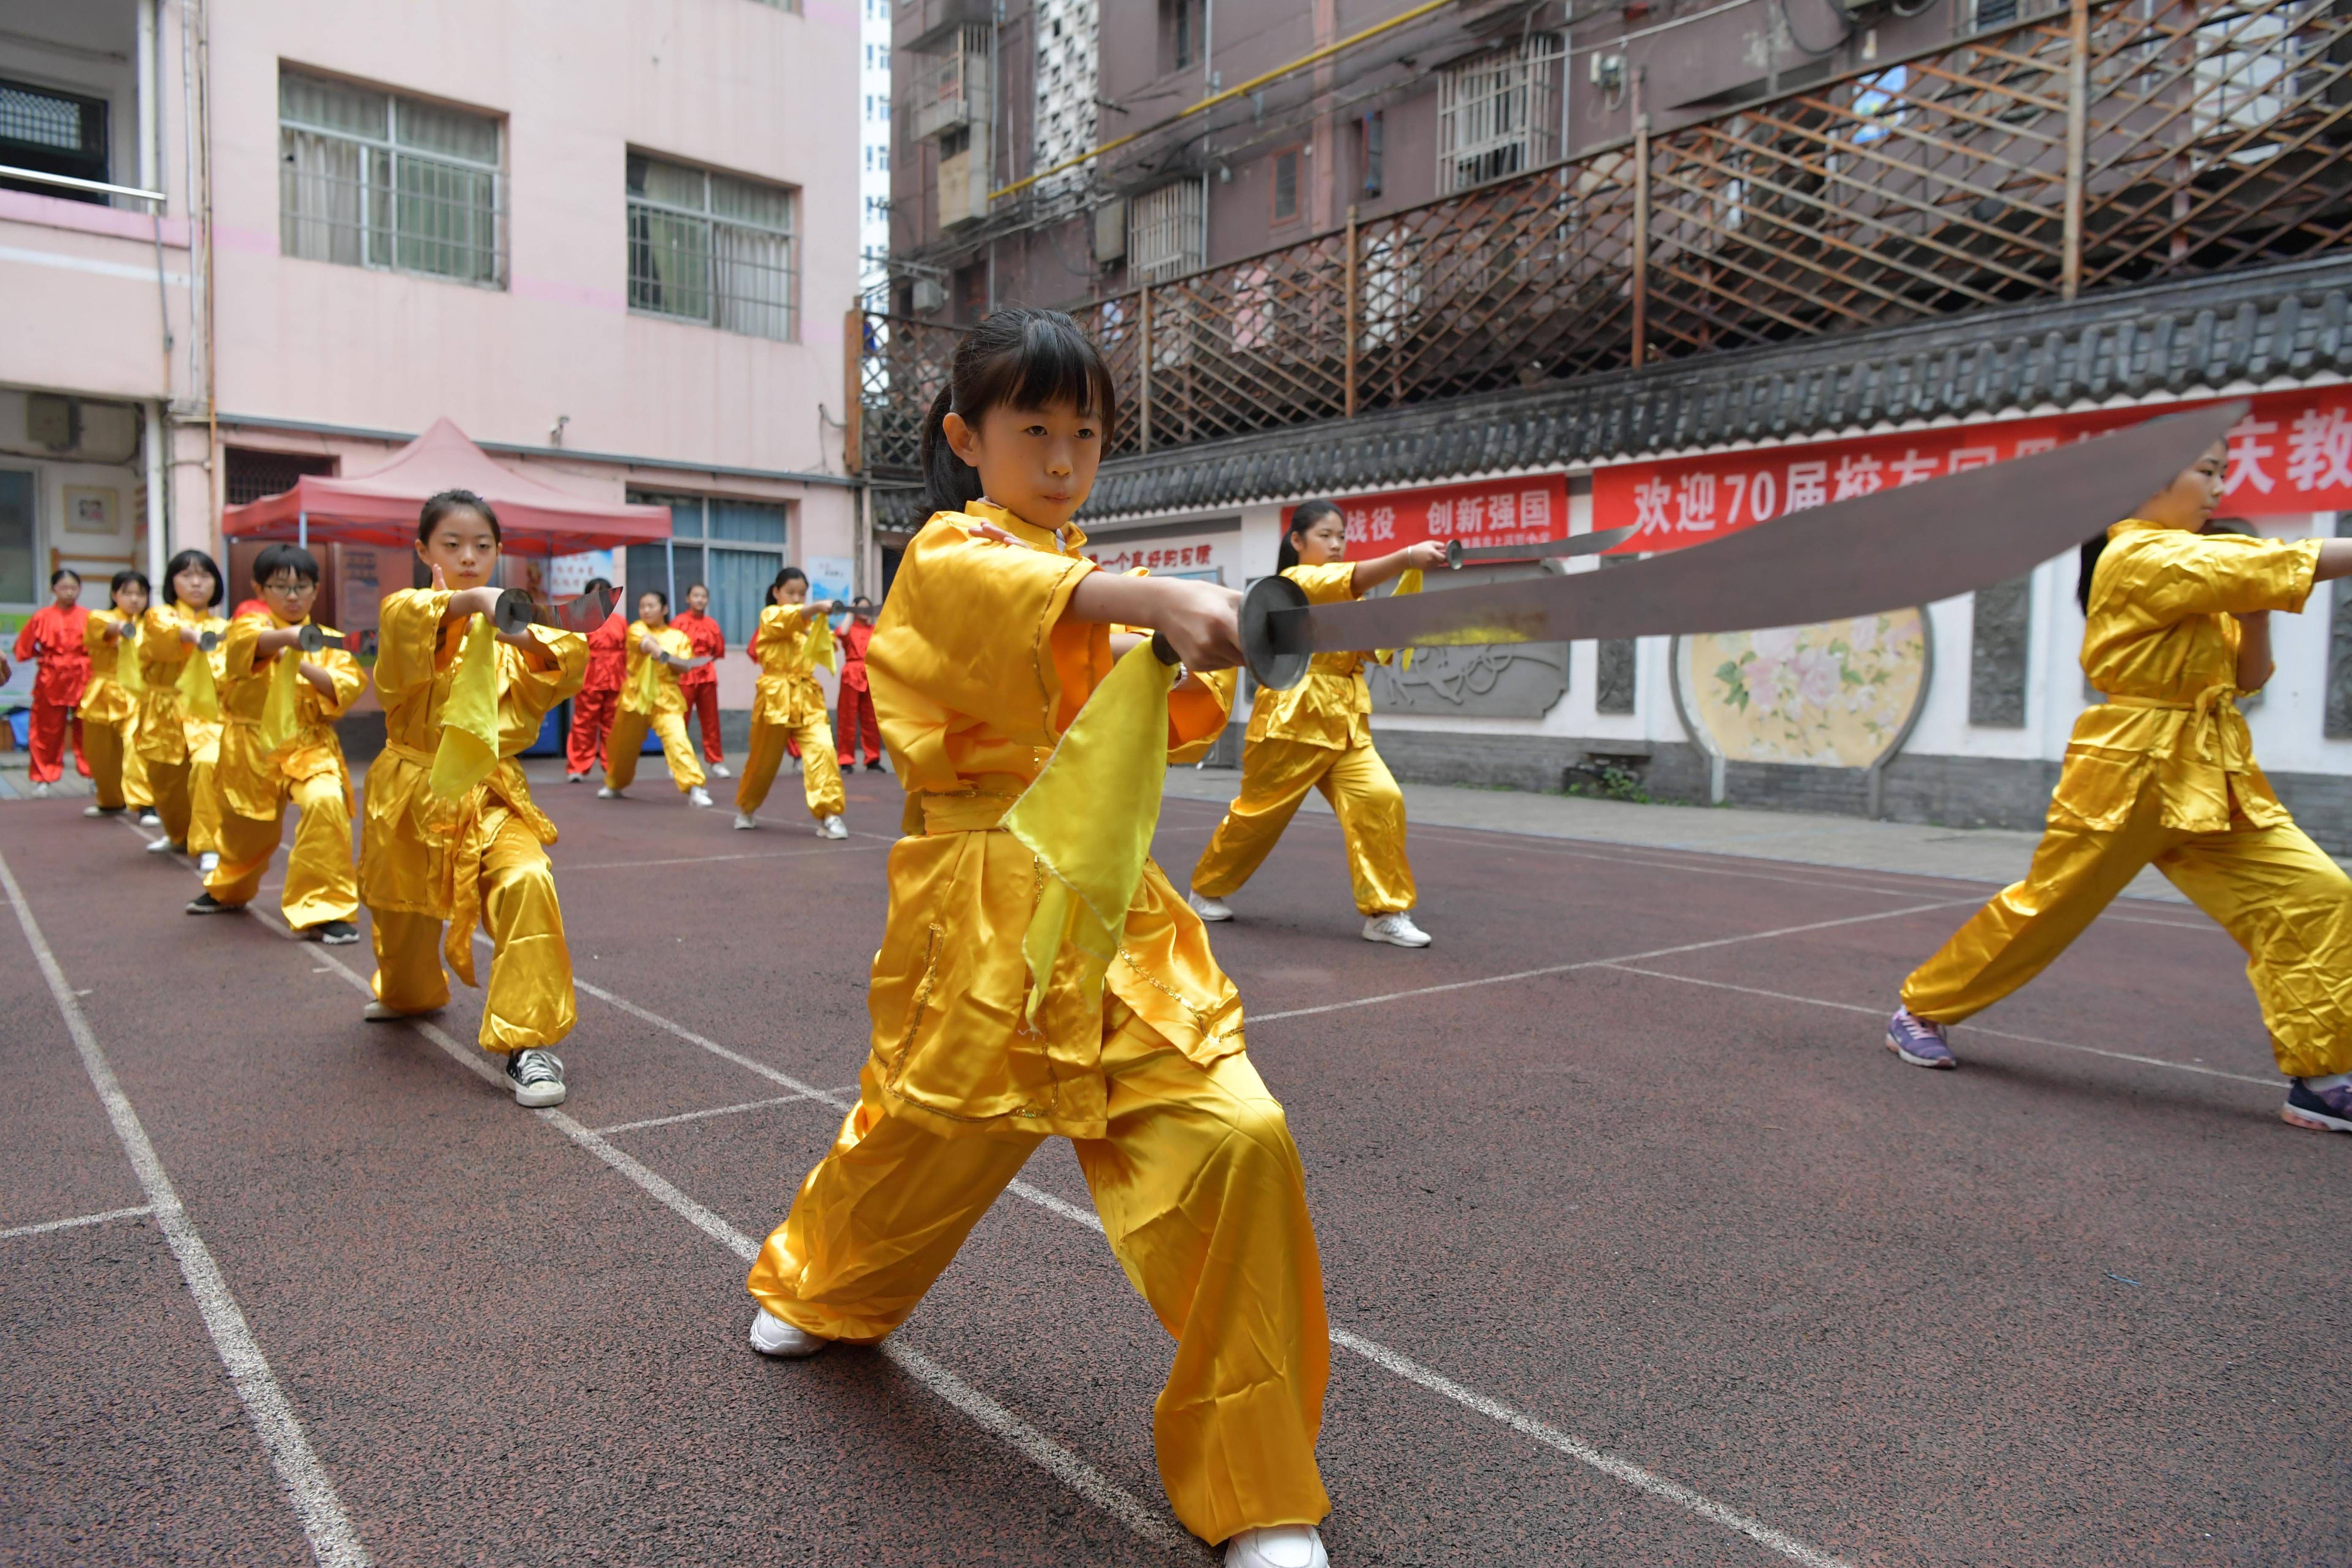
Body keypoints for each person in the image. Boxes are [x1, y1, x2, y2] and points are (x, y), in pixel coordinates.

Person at [743, 307, 1334, 1568]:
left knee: (1237, 1134)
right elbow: (1006, 596)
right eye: (1034, 430)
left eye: (1087, 434)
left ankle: (1256, 1479)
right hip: (972, 903)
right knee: (917, 1130)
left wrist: (1287, 609)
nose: (1064, 458)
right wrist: (1160, 600)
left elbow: (1154, 711)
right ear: (967, 437)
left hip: (1103, 903)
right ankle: (820, 1284)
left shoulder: (1089, 582)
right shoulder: (951, 557)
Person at [1886, 439, 2352, 1135]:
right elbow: (2282, 561)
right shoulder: (2137, 554)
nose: (2220, 486)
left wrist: (2254, 614)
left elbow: (2248, 678)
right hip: (2130, 766)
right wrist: (2262, 580)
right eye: (2206, 470)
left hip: (2211, 771)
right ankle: (1918, 1009)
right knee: (2049, 908)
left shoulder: (2197, 570)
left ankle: (2320, 1075)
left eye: (2222, 471)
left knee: (2316, 896)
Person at [359, 488, 589, 1108]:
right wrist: (478, 604)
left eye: (483, 546)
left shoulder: (512, 623)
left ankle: (529, 1042)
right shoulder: (406, 610)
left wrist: (512, 629)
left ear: (499, 551)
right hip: (411, 791)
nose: (468, 556)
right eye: (452, 545)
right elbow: (417, 627)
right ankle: (407, 991)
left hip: (487, 794)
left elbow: (569, 658)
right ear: (423, 549)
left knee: (528, 879)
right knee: (403, 927)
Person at [1187, 499, 1443, 947]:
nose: (1337, 544)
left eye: (1342, 536)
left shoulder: (1344, 594)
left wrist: (1410, 592)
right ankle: (1207, 887)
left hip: (1346, 721)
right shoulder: (1295, 582)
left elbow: (1374, 643)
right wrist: (1406, 557)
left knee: (1381, 798)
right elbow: (1347, 579)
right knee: (1259, 816)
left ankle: (1385, 911)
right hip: (1293, 719)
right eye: (1326, 535)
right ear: (1298, 542)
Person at [185, 544, 367, 941]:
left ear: (316, 591)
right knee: (245, 833)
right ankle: (228, 889)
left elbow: (347, 687)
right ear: (259, 588)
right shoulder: (245, 629)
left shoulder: (329, 641)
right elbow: (243, 653)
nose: (291, 595)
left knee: (326, 802)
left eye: (301, 586)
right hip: (252, 746)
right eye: (280, 586)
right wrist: (286, 640)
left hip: (309, 745)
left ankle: (325, 908)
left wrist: (298, 656)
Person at [732, 567, 847, 837]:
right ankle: (747, 808)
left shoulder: (808, 624)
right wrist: (817, 607)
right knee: (763, 760)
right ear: (776, 592)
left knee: (823, 751)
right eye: (791, 593)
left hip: (808, 697)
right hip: (775, 697)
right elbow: (788, 618)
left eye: (802, 594)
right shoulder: (771, 616)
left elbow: (829, 644)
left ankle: (829, 814)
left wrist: (825, 622)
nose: (797, 598)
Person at [136, 550, 230, 863]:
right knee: (167, 785)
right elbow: (167, 636)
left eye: (204, 576)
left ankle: (208, 844)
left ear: (216, 584)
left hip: (207, 714)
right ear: (171, 582)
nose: (196, 583)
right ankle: (178, 835)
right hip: (164, 713)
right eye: (187, 576)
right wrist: (193, 635)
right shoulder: (158, 616)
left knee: (207, 765)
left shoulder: (226, 625)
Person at [598, 589, 713, 807]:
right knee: (623, 745)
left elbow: (684, 666)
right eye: (643, 606)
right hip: (636, 696)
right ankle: (615, 784)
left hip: (666, 696)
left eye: (651, 606)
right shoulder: (637, 629)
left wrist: (666, 657)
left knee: (677, 739)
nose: (646, 610)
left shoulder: (678, 637)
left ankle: (695, 787)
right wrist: (660, 652)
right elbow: (643, 644)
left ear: (665, 610)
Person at [12, 568, 93, 796]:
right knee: (46, 729)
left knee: (88, 729)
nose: (69, 592)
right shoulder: (42, 617)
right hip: (52, 677)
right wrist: (44, 658)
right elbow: (23, 648)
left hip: (83, 675)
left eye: (74, 588)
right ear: (54, 589)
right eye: (64, 588)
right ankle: (43, 778)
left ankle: (94, 774)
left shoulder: (89, 617)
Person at [78, 570, 149, 818]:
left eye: (141, 594)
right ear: (114, 594)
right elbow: (107, 630)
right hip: (103, 692)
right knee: (101, 752)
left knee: (135, 746)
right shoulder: (99, 617)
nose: (135, 599)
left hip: (137, 693)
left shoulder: (151, 624)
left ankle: (145, 804)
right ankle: (110, 801)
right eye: (128, 593)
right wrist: (122, 628)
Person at [564, 577, 624, 782]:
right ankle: (578, 767)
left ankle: (613, 767)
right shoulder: (581, 620)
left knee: (613, 725)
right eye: (595, 592)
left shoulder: (620, 621)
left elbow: (629, 651)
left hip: (616, 677)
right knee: (584, 723)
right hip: (590, 676)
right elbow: (574, 650)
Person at [673, 582, 732, 779]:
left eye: (703, 596)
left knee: (711, 721)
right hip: (685, 674)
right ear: (688, 599)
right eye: (696, 596)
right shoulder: (679, 622)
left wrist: (703, 661)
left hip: (707, 674)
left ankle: (715, 762)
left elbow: (718, 650)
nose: (700, 600)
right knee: (680, 720)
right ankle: (676, 762)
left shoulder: (712, 624)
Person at [834, 593, 884, 772]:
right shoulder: (850, 628)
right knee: (847, 718)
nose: (864, 611)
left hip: (870, 675)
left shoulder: (875, 630)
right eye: (860, 608)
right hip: (851, 675)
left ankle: (873, 759)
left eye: (866, 608)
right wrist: (850, 610)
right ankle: (845, 760)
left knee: (871, 719)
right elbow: (842, 633)